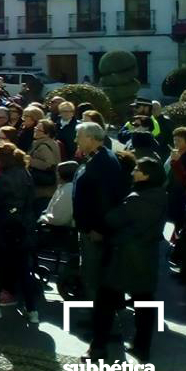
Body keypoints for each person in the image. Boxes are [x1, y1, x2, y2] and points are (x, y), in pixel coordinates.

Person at [89, 158, 167, 362]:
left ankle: (98, 347)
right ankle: (142, 347)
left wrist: (108, 232)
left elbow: (114, 219)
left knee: (105, 301)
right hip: (146, 256)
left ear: (147, 175)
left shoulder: (138, 198)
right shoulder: (160, 195)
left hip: (124, 255)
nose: (133, 172)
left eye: (137, 170)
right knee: (144, 302)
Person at [0, 143, 38, 323]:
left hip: (4, 231)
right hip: (24, 230)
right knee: (24, 272)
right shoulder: (25, 173)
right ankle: (32, 310)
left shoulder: (3, 178)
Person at [72, 122, 125, 302]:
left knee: (93, 273)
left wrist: (98, 228)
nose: (76, 140)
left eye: (78, 137)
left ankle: (98, 319)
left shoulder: (103, 161)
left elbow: (105, 200)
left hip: (95, 230)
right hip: (91, 227)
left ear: (90, 138)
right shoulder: (98, 157)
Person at [38, 161, 78, 227]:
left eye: (57, 173)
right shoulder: (65, 187)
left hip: (64, 231)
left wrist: (43, 218)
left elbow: (58, 218)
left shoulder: (68, 190)